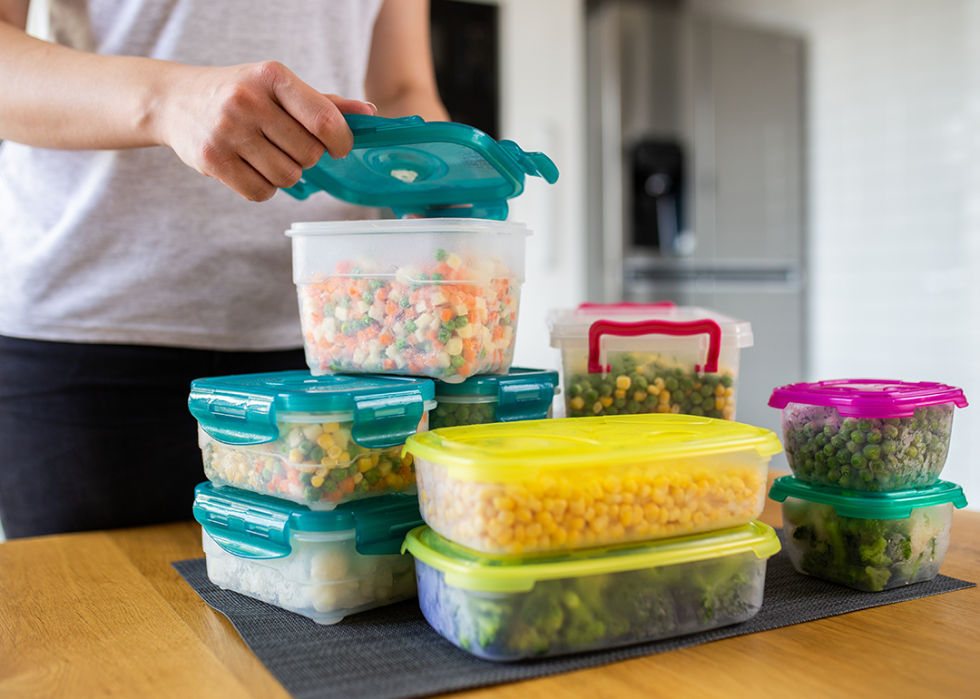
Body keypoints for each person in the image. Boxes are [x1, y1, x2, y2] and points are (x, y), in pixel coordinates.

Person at [0, 0, 449, 538]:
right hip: (87, 336)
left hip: (338, 343)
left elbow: (399, 87)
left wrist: (444, 178)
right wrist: (170, 100)